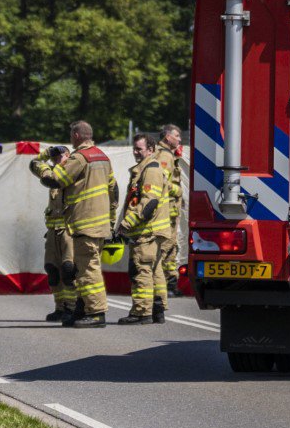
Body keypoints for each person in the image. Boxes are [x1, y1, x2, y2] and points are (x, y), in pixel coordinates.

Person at [42, 120, 118, 328]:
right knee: (82, 268)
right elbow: (114, 189)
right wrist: (111, 218)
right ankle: (82, 309)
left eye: (70, 134)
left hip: (84, 223)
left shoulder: (80, 157)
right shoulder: (103, 157)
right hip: (99, 224)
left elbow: (58, 179)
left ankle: (96, 313)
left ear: (76, 135)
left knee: (88, 269)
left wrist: (41, 167)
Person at [117, 133, 171, 325]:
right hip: (151, 230)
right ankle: (157, 309)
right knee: (154, 270)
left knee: (141, 270)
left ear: (151, 149)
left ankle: (141, 312)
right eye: (134, 148)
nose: (135, 152)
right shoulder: (146, 168)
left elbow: (149, 203)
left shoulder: (151, 170)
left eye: (139, 149)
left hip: (147, 231)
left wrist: (127, 223)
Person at [28, 144, 76, 321]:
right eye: (54, 157)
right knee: (52, 269)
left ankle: (72, 308)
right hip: (52, 231)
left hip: (69, 230)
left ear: (68, 156)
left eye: (60, 156)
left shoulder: (74, 170)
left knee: (68, 270)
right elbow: (34, 164)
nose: (57, 160)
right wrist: (47, 153)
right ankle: (60, 307)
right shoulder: (52, 174)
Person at [156, 123, 187, 311]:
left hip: (172, 211)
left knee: (171, 247)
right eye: (177, 136)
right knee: (167, 247)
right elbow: (162, 182)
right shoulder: (164, 156)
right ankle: (167, 284)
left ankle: (170, 283)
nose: (180, 139)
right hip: (166, 211)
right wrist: (178, 191)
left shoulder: (169, 155)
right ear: (167, 137)